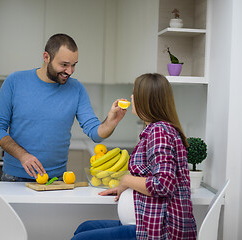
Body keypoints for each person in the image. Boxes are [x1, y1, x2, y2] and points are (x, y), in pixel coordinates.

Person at [72, 73, 197, 240]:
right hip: (144, 221)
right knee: (84, 228)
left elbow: (164, 184)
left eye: (135, 93)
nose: (131, 96)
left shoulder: (159, 132)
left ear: (146, 100)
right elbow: (152, 176)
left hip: (157, 231)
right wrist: (130, 187)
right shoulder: (156, 130)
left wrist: (126, 180)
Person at [0, 33, 126, 181]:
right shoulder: (15, 82)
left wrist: (111, 121)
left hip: (56, 180)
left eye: (74, 65)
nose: (70, 71)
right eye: (64, 65)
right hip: (14, 178)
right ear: (46, 57)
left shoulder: (76, 89)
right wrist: (23, 156)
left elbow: (95, 133)